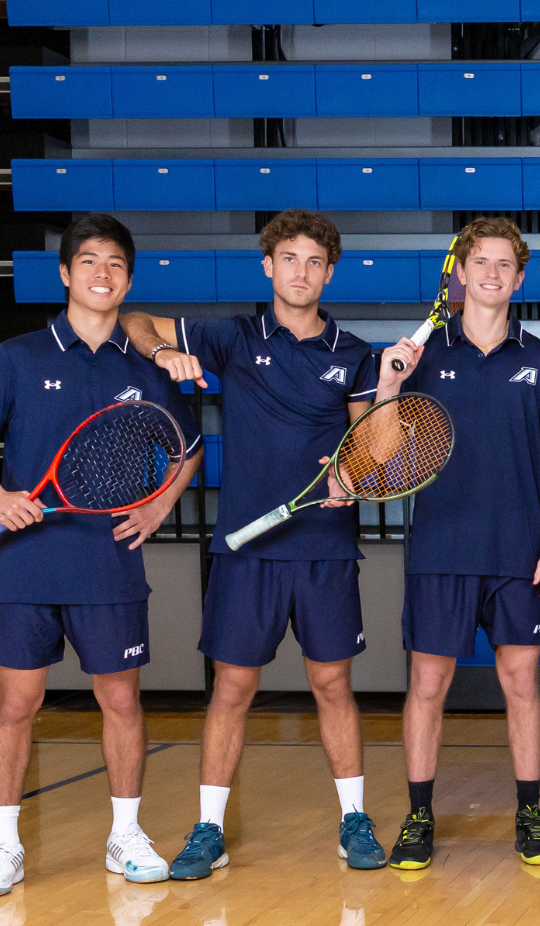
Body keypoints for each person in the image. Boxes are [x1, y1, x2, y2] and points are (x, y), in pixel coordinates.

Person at [122, 208, 383, 878]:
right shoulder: (234, 338)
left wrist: (353, 474)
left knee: (332, 684)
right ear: (268, 266)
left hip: (324, 545)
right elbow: (135, 321)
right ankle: (207, 829)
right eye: (289, 258)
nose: (301, 272)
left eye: (315, 261)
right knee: (233, 688)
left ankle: (354, 820)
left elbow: (372, 442)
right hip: (247, 552)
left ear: (331, 271)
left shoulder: (352, 354)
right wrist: (164, 351)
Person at [0, 213, 201, 897]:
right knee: (16, 702)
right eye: (88, 262)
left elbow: (188, 448)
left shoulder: (142, 367)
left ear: (128, 279)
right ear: (65, 274)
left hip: (108, 563)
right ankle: (2, 845)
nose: (102, 275)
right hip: (29, 565)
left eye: (116, 265)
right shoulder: (19, 356)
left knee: (120, 700)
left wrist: (158, 506)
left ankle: (125, 836)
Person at [375, 217, 540, 869]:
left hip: (517, 550)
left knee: (521, 680)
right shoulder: (420, 358)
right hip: (440, 549)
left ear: (519, 278)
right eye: (480, 263)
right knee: (428, 682)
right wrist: (388, 386)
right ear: (459, 273)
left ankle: (529, 811)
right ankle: (418, 816)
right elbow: (377, 456)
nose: (491, 274)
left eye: (504, 265)